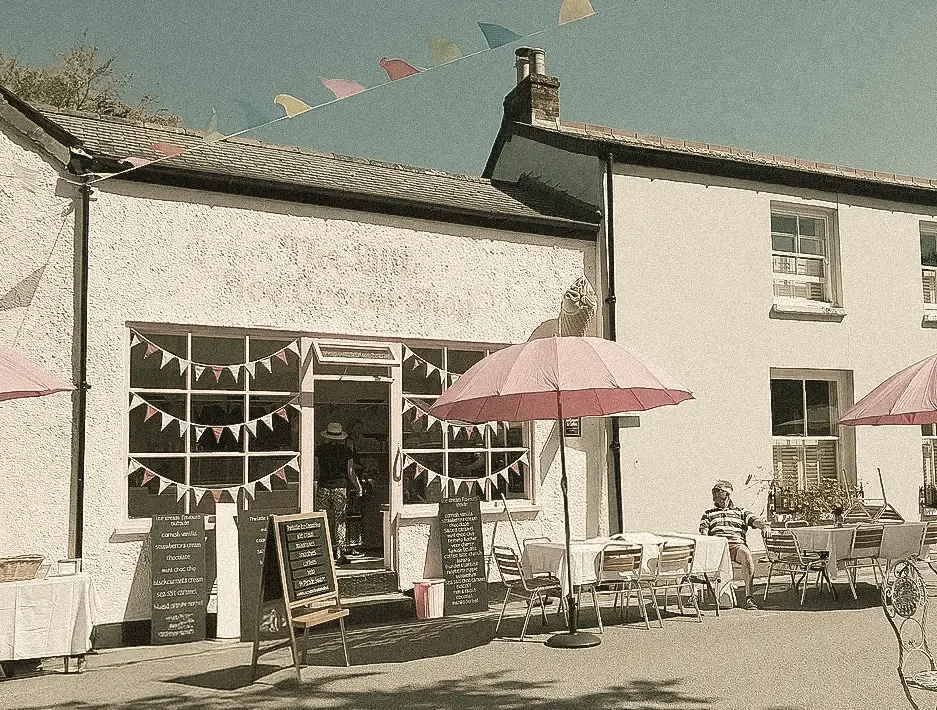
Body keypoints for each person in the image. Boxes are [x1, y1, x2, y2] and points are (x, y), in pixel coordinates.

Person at [698, 479, 768, 610]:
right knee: (696, 553)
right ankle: (695, 594)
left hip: (736, 546)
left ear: (727, 494)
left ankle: (749, 597)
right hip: (717, 548)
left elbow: (755, 520)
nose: (714, 493)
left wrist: (764, 526)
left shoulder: (740, 511)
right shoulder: (708, 514)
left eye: (717, 490)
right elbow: (704, 533)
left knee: (746, 553)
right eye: (713, 490)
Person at [314, 422, 362, 564]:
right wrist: (358, 487)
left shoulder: (320, 449)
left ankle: (323, 551)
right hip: (340, 488)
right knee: (340, 521)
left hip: (323, 487)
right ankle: (340, 553)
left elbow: (316, 469)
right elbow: (350, 471)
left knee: (323, 519)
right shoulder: (346, 451)